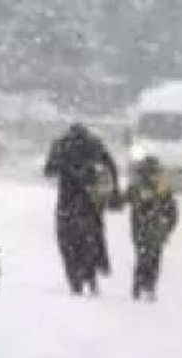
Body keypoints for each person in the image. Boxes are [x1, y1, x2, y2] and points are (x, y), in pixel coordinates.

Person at [44, 123, 120, 296]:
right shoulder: (94, 144)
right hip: (89, 199)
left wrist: (65, 168)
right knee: (93, 237)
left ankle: (75, 280)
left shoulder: (61, 145)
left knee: (67, 241)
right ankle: (93, 271)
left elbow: (49, 170)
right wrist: (114, 192)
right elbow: (111, 166)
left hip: (67, 200)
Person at [124, 156, 180, 301]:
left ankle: (149, 286)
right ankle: (140, 284)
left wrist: (167, 227)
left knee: (153, 258)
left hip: (156, 231)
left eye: (156, 173)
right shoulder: (137, 189)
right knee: (144, 257)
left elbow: (172, 211)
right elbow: (123, 200)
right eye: (151, 173)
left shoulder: (163, 190)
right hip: (142, 230)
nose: (154, 177)